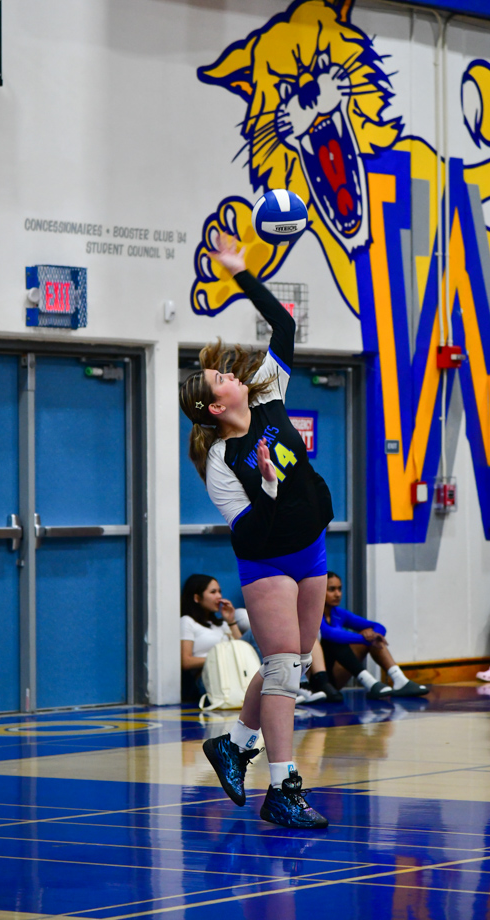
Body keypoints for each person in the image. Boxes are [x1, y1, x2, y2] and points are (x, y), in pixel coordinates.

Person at [179, 230, 333, 829]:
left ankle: (235, 744)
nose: (230, 374)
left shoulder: (270, 393)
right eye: (220, 379)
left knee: (287, 666)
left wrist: (240, 272)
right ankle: (284, 788)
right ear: (217, 407)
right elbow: (252, 532)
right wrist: (266, 483)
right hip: (268, 561)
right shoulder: (222, 461)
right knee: (284, 669)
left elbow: (285, 325)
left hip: (312, 545)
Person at [316, 571, 429, 698]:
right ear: (320, 591)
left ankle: (400, 680)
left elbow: (378, 626)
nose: (337, 594)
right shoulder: (313, 613)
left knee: (372, 637)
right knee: (336, 642)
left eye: (339, 589)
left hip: (336, 676)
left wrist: (375, 635)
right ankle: (370, 683)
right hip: (321, 680)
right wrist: (365, 638)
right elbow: (329, 634)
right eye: (331, 589)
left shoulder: (339, 613)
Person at [180, 574, 242, 702]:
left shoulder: (222, 624)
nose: (219, 596)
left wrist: (231, 621)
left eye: (219, 591)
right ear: (197, 598)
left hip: (235, 675)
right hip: (209, 678)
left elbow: (243, 651)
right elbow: (186, 662)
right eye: (213, 592)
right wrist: (220, 658)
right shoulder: (188, 621)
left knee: (252, 637)